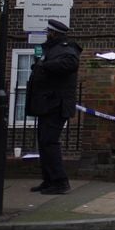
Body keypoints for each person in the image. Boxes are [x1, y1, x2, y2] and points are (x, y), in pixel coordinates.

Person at [25, 19, 82, 195]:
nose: (47, 34)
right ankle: (49, 180)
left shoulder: (67, 48)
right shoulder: (49, 48)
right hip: (46, 105)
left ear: (54, 33)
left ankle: (60, 182)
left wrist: (46, 65)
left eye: (48, 32)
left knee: (50, 142)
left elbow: (71, 64)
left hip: (56, 105)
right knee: (43, 142)